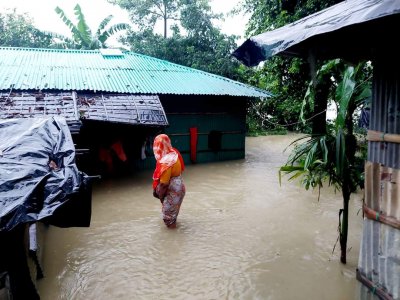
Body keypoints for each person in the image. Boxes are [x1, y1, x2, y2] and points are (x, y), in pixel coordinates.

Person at [152, 134, 186, 228]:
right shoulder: (174, 153)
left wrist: (161, 197)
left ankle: (174, 239)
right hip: (180, 187)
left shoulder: (166, 161)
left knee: (168, 218)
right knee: (172, 215)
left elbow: (163, 184)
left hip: (173, 191)